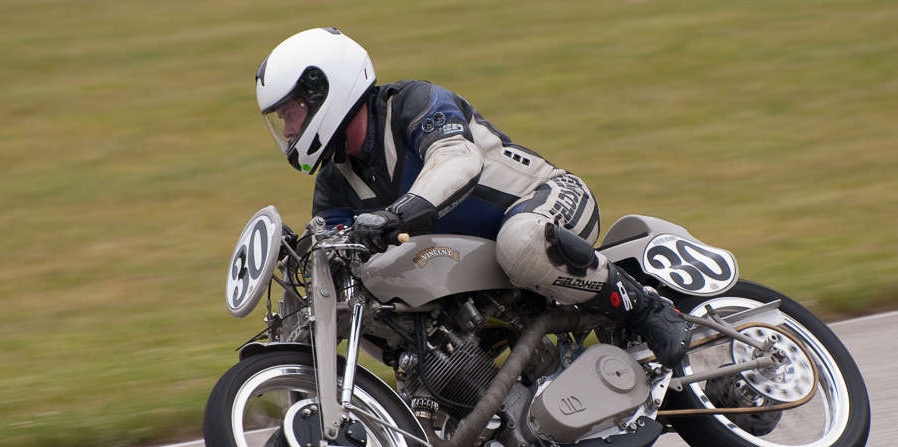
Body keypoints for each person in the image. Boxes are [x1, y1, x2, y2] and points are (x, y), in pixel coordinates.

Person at [255, 28, 691, 367]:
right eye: (282, 120)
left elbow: (456, 160)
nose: (290, 131)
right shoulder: (334, 182)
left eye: (292, 114)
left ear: (325, 93)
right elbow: (338, 252)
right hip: (476, 272)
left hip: (547, 204)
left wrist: (395, 217)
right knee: (365, 299)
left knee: (520, 245)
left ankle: (648, 309)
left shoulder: (412, 103)